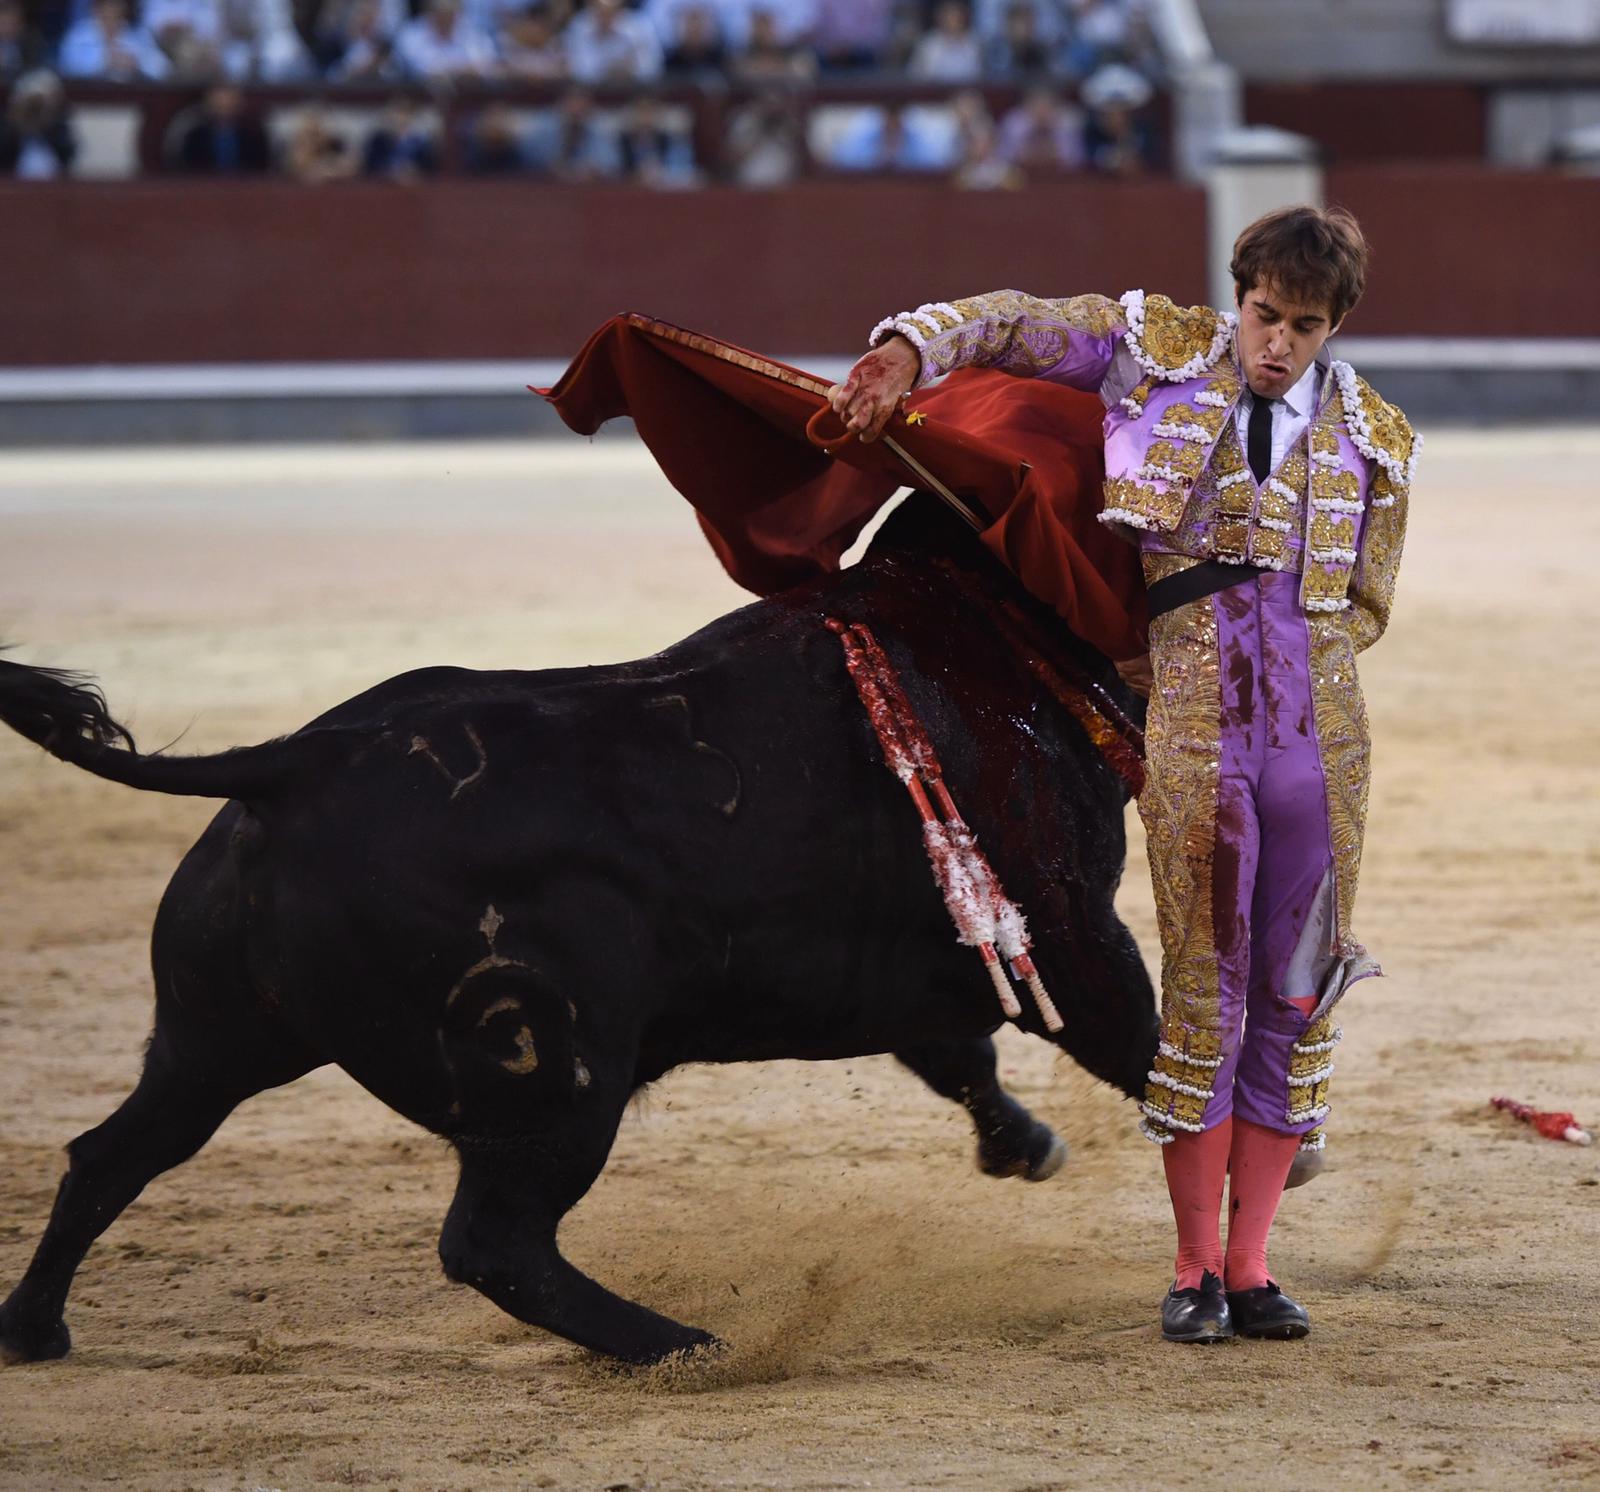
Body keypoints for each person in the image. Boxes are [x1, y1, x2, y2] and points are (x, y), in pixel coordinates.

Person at [828, 205, 1417, 1344]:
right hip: (1196, 731)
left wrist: (1287, 660)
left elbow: (1367, 606)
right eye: (1262, 315)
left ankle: (1252, 1268)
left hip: (1320, 746)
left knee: (1295, 995)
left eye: (1302, 325)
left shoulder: (1375, 437)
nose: (1275, 343)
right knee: (1206, 989)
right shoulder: (1152, 351)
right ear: (1236, 294)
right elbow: (1015, 325)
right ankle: (1194, 1268)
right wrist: (912, 345)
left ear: (1334, 324)